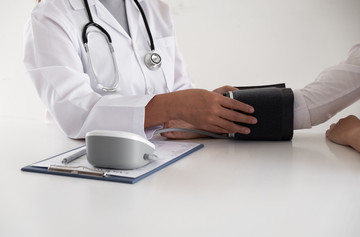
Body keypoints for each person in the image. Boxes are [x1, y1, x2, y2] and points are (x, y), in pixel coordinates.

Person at [25, 0, 360, 140]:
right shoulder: (53, 15)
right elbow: (73, 113)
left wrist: (202, 113)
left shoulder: (150, 7)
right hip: (86, 168)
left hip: (166, 162)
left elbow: (180, 88)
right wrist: (175, 106)